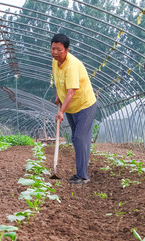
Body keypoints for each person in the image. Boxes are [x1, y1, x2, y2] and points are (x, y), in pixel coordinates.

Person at [51, 33, 97, 184]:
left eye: (59, 49)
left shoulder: (71, 65)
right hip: (71, 106)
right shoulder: (54, 62)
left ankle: (82, 176)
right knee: (77, 139)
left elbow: (71, 91)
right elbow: (58, 81)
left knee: (79, 138)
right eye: (53, 49)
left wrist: (61, 111)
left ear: (67, 50)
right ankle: (80, 173)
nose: (55, 52)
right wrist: (58, 95)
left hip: (84, 105)